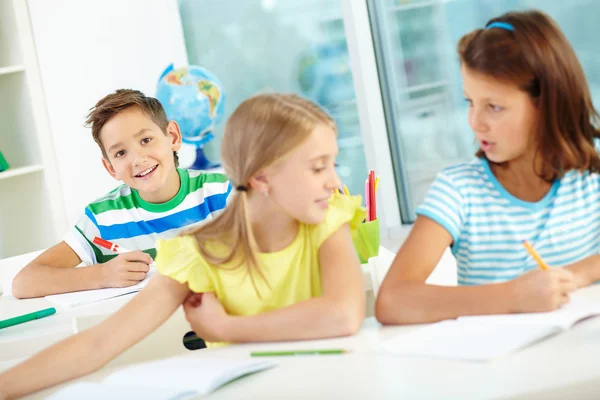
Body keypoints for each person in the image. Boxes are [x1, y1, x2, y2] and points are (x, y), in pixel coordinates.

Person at [0, 93, 366, 398]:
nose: (334, 181)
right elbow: (99, 344)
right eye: (318, 167)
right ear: (262, 175)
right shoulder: (196, 252)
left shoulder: (328, 221)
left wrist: (226, 329)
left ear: (171, 136)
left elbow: (342, 315)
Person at [376, 10, 600, 325]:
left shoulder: (591, 174)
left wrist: (575, 276)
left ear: (546, 104)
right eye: (470, 101)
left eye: (493, 106)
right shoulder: (459, 190)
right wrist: (514, 297)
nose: (475, 122)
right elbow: (393, 300)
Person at [11, 89, 231, 298]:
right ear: (111, 168)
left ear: (172, 136)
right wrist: (101, 275)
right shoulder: (103, 218)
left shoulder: (222, 193)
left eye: (146, 140)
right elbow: (24, 282)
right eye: (121, 152)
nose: (137, 159)